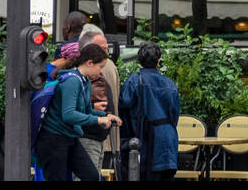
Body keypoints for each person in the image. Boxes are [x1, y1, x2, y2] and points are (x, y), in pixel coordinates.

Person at [36, 43, 121, 181]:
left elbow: (87, 110)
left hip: (69, 136)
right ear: (89, 63)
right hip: (53, 138)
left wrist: (105, 115)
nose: (100, 72)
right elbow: (68, 114)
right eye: (100, 67)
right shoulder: (72, 81)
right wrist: (98, 120)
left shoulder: (85, 80)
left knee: (91, 175)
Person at [120, 42, 182, 180]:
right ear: (158, 61)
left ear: (139, 61)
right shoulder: (169, 84)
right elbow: (174, 114)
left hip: (145, 140)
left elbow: (124, 107)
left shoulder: (133, 81)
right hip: (167, 140)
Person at [77, 25, 120, 178]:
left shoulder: (100, 71)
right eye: (101, 49)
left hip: (99, 136)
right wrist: (98, 115)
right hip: (89, 136)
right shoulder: (77, 79)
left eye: (107, 49)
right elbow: (68, 112)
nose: (105, 54)